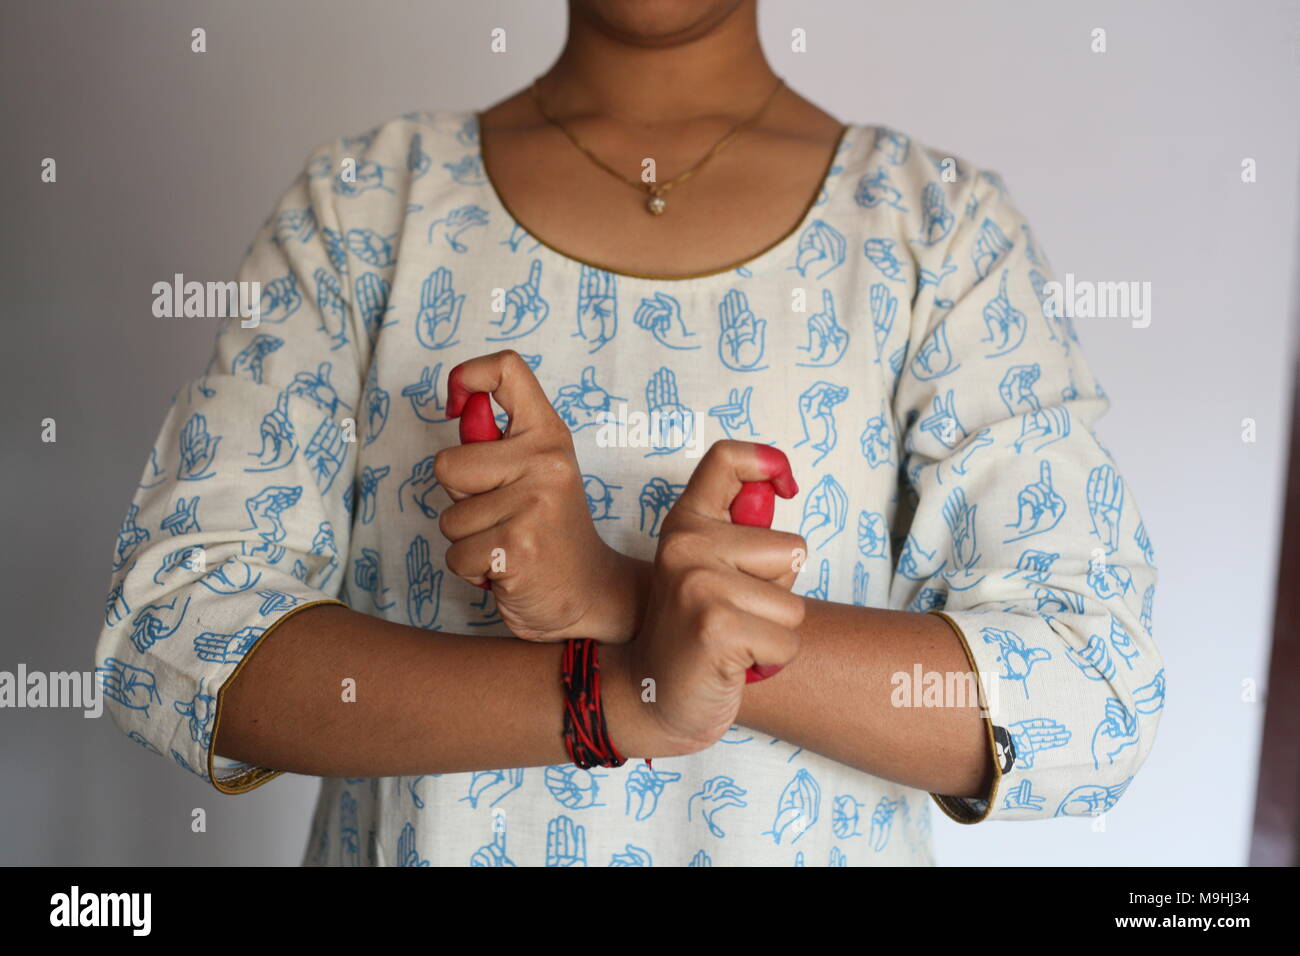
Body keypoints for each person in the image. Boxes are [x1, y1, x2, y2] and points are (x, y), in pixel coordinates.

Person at [94, 0, 1164, 866]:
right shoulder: (367, 206)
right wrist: (616, 695)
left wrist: (623, 593)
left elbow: (1090, 692)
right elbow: (182, 631)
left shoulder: (933, 229)